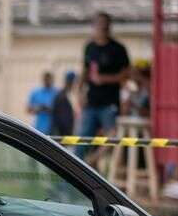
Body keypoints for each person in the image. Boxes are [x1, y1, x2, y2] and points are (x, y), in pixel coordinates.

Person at [76, 11, 130, 160]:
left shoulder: (118, 49)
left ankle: (95, 163)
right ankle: (72, 178)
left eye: (105, 25)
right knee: (82, 139)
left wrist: (104, 79)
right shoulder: (89, 47)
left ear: (109, 27)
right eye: (99, 25)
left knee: (111, 139)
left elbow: (126, 75)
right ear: (94, 26)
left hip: (110, 103)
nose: (102, 28)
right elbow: (85, 71)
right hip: (91, 102)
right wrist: (79, 92)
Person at [50, 70, 78, 138]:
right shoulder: (61, 96)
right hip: (63, 133)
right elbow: (59, 117)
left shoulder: (73, 94)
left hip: (70, 132)